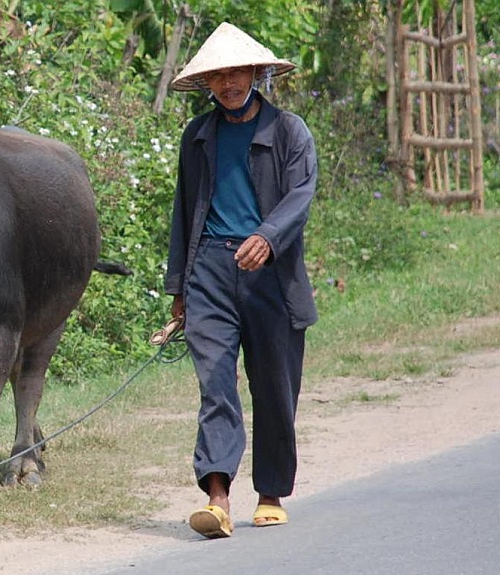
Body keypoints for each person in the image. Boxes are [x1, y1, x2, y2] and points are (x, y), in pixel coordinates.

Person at [164, 22, 318, 539]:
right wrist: (178, 288)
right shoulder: (198, 136)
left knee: (275, 387)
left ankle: (270, 493)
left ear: (256, 72)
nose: (228, 82)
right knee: (215, 383)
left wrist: (268, 236)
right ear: (207, 83)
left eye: (237, 71)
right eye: (218, 75)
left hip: (271, 275)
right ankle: (218, 495)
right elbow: (184, 211)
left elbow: (301, 196)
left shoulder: (290, 131)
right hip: (209, 268)